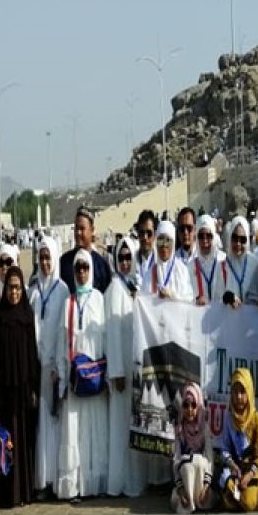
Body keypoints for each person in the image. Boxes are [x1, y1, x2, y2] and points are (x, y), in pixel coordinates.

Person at [0, 266, 40, 510]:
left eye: (17, 288)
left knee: (22, 442)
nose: (14, 292)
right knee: (4, 443)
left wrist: (34, 387)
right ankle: (3, 495)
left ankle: (23, 492)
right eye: (10, 288)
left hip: (23, 391)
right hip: (3, 392)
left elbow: (33, 355)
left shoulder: (27, 317)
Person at [55, 249, 109, 500]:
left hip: (95, 377)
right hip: (76, 379)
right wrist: (62, 377)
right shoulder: (68, 302)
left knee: (95, 433)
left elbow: (106, 337)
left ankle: (95, 484)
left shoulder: (99, 299)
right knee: (75, 433)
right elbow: (61, 341)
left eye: (85, 268)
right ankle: (74, 485)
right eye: (78, 268)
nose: (82, 273)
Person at [30, 236, 67, 496]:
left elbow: (64, 331)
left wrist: (60, 367)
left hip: (55, 368)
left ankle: (55, 479)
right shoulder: (33, 291)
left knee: (55, 422)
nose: (44, 262)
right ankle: (41, 481)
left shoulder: (62, 290)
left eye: (48, 257)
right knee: (41, 423)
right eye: (41, 258)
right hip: (37, 366)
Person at [106, 236, 140, 497]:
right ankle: (122, 481)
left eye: (129, 257)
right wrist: (116, 371)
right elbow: (113, 334)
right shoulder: (114, 289)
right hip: (122, 372)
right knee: (121, 427)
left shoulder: (135, 285)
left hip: (136, 365)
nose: (126, 262)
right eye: (122, 258)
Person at [219, 368, 258, 512]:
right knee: (227, 487)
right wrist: (233, 466)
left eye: (243, 392)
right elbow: (224, 449)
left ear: (249, 392)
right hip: (236, 468)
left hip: (252, 469)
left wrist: (249, 475)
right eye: (235, 392)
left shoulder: (256, 419)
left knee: (249, 503)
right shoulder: (229, 418)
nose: (239, 397)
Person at [172, 381, 214, 514]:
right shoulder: (179, 429)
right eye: (186, 405)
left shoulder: (204, 428)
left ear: (199, 406)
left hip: (203, 483)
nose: (190, 410)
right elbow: (175, 460)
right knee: (186, 466)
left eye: (193, 405)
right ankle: (188, 500)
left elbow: (210, 459)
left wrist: (206, 487)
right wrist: (181, 490)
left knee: (200, 462)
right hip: (184, 483)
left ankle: (200, 499)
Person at [60, 207, 112, 293]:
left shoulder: (101, 266)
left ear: (91, 230)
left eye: (82, 229)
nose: (78, 233)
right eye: (76, 228)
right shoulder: (64, 262)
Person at [217, 216, 258, 308]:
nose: (238, 243)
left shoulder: (254, 263)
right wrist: (227, 298)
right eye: (235, 238)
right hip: (229, 319)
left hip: (251, 319)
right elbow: (216, 298)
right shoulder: (222, 266)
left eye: (242, 239)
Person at [150, 222, 195, 301]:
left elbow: (189, 300)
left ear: (173, 242)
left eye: (168, 240)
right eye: (160, 240)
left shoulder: (182, 270)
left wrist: (172, 296)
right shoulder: (151, 272)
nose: (164, 245)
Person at [191, 215, 226, 306]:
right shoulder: (191, 265)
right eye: (201, 236)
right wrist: (195, 300)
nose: (205, 240)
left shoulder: (223, 260)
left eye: (208, 236)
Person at [133, 209, 158, 288]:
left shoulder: (160, 262)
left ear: (155, 235)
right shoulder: (131, 260)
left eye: (149, 233)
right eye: (141, 233)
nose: (145, 237)